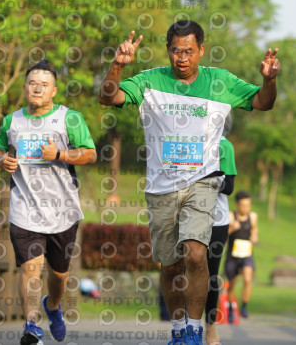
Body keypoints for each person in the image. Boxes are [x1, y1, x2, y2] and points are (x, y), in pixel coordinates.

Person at [98, 20, 280, 345]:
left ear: (202, 51)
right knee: (170, 266)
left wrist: (269, 80)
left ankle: (195, 330)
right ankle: (179, 329)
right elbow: (108, 97)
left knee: (196, 255)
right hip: (161, 187)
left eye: (189, 51)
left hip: (202, 182)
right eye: (176, 51)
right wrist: (117, 66)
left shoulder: (220, 81)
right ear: (168, 51)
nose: (182, 58)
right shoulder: (150, 81)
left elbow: (263, 102)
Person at [0, 59, 97, 345]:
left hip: (62, 211)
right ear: (25, 87)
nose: (37, 88)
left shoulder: (69, 119)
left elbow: (90, 154)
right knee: (30, 267)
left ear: (54, 91)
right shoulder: (12, 120)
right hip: (24, 207)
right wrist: (2, 159)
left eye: (44, 85)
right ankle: (31, 326)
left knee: (59, 275)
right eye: (32, 84)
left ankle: (52, 306)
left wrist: (60, 155)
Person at [204, 119, 236, 345]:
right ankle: (188, 325)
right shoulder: (192, 143)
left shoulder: (224, 146)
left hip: (217, 220)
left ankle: (210, 327)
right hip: (188, 216)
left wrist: (204, 180)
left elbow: (230, 187)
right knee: (189, 270)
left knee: (211, 275)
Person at [225, 190, 259, 323]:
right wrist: (232, 228)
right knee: (232, 284)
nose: (246, 208)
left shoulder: (253, 216)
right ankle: (231, 309)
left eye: (248, 205)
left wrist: (255, 237)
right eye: (243, 205)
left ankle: (244, 307)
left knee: (247, 278)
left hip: (247, 253)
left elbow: (255, 231)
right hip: (233, 255)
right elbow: (223, 236)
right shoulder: (231, 216)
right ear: (237, 205)